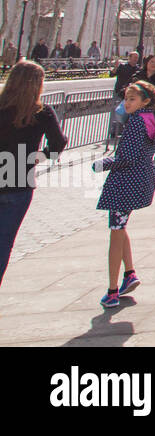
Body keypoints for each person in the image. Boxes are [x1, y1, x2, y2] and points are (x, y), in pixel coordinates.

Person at [91, 80, 155, 307]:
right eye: (125, 99)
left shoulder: (135, 122)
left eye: (131, 99)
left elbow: (126, 158)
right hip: (142, 178)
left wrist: (102, 164)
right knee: (120, 226)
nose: (126, 103)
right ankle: (130, 274)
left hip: (125, 182)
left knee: (115, 231)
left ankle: (112, 290)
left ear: (145, 101)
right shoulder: (150, 118)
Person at [0, 62, 66, 287]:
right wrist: (37, 157)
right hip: (19, 181)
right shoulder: (42, 112)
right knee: (3, 243)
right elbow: (59, 142)